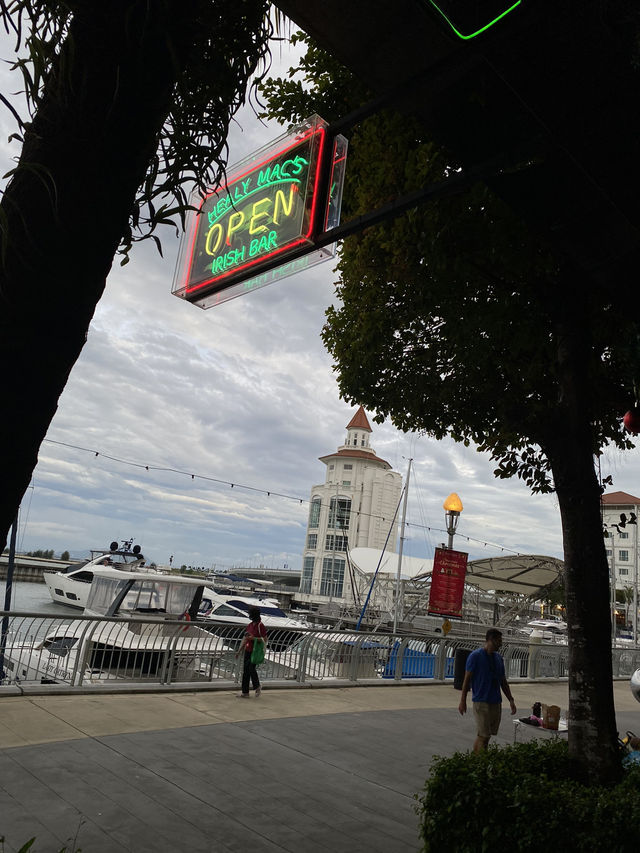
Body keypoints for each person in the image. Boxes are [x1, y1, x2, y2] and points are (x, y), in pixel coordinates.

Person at [458, 628, 517, 751]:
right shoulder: (475, 657)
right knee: (483, 735)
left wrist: (511, 699)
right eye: (499, 640)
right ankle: (479, 762)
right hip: (481, 701)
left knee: (488, 735)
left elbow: (503, 681)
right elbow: (466, 679)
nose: (501, 643)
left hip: (495, 701)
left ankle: (480, 758)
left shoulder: (499, 659)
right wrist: (462, 701)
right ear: (491, 640)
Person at [235, 605, 267, 698]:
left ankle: (257, 686)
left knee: (251, 668)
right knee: (245, 671)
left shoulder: (260, 626)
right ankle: (245, 692)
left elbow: (264, 639)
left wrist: (253, 638)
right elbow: (246, 639)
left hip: (255, 651)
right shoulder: (249, 625)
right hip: (248, 650)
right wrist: (239, 651)